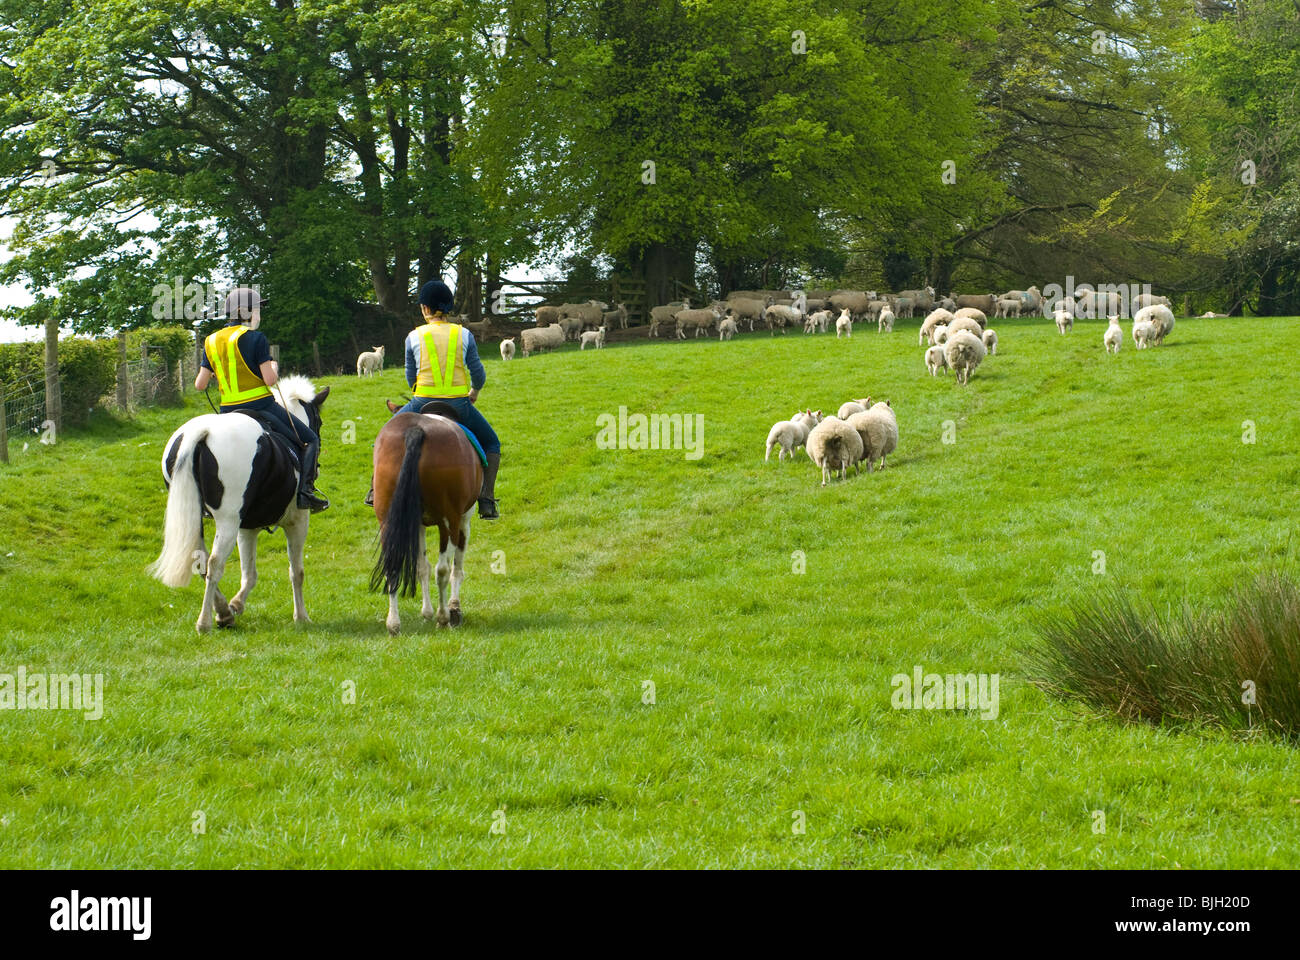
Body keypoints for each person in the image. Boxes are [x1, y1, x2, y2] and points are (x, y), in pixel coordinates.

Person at [364, 280, 501, 519]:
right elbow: (478, 373)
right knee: (491, 443)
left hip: (420, 402)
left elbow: (410, 377)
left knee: (384, 436)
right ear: (447, 308)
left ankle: (375, 489)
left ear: (425, 308)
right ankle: (487, 500)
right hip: (459, 403)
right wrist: (474, 392)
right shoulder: (464, 334)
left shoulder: (413, 336)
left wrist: (420, 389)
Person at [194, 287, 329, 513]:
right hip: (261, 406)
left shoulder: (210, 340)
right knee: (310, 439)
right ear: (244, 312)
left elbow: (200, 384)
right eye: (257, 310)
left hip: (227, 411)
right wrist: (274, 367)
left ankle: (206, 503)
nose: (259, 315)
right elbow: (269, 380)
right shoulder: (255, 338)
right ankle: (306, 494)